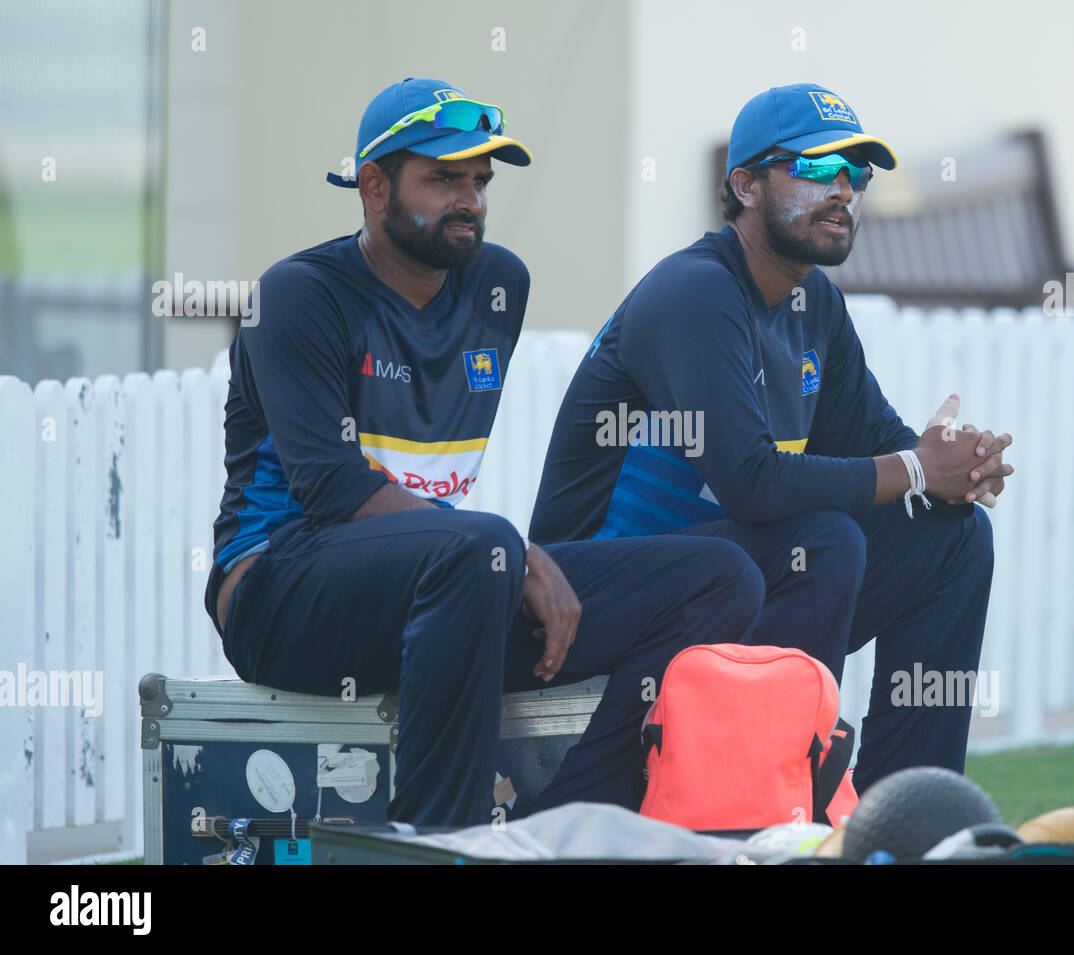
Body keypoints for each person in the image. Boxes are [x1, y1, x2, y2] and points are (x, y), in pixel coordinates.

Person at [204, 78, 764, 827]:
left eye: (479, 180)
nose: (470, 199)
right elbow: (333, 491)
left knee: (721, 576)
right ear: (373, 187)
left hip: (442, 589)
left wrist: (499, 555)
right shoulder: (298, 294)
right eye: (443, 179)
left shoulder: (499, 281)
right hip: (280, 592)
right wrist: (519, 555)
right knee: (486, 546)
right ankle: (447, 837)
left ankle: (570, 822)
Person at [528, 83, 1014, 794]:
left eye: (854, 174)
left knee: (952, 535)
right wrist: (915, 467)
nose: (842, 190)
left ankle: (907, 815)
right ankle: (775, 789)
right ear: (745, 184)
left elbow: (879, 445)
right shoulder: (694, 292)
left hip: (733, 581)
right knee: (824, 538)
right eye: (816, 168)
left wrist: (953, 470)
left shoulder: (814, 302)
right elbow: (750, 480)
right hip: (601, 591)